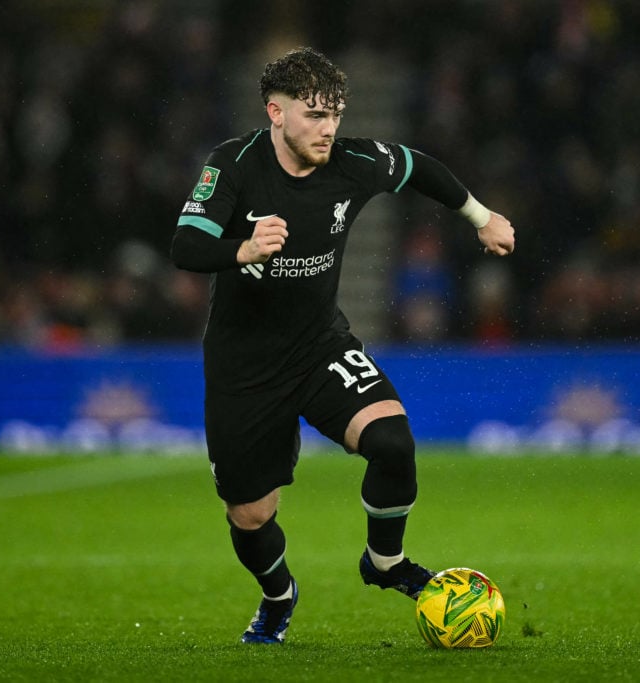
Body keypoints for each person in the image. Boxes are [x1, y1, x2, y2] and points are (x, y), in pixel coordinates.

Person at [170, 46, 515, 644]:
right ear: (275, 113)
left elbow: (419, 167)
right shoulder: (232, 165)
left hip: (319, 345)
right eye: (313, 115)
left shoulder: (354, 162)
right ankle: (278, 596)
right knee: (251, 515)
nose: (328, 128)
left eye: (335, 114)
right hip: (244, 367)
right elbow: (185, 244)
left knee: (393, 441)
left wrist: (480, 216)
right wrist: (243, 248)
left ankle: (383, 563)